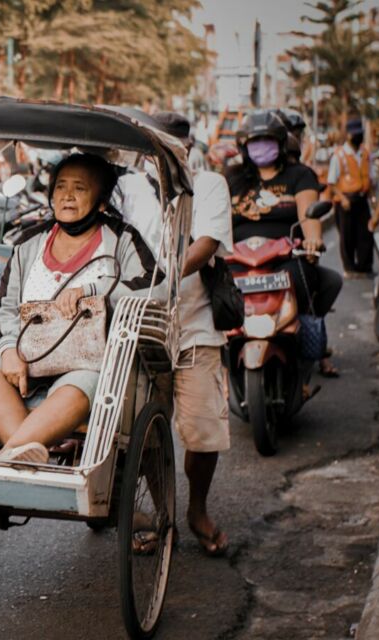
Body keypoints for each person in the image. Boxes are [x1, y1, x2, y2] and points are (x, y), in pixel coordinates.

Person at [0, 153, 162, 463]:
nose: (67, 196)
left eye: (80, 188)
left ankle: (3, 462)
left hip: (85, 362)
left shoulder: (122, 239)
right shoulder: (29, 242)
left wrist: (92, 291)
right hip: (27, 353)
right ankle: (20, 456)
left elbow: (156, 287)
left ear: (101, 201)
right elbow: (2, 305)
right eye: (60, 187)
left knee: (83, 385)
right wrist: (8, 350)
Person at [153, 111, 234, 556]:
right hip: (137, 325)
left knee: (203, 431)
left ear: (186, 148)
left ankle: (196, 509)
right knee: (136, 428)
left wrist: (161, 279)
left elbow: (205, 244)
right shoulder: (129, 187)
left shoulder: (209, 185)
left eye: (173, 146)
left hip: (196, 325)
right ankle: (156, 512)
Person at [226, 111, 343, 380]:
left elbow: (308, 214)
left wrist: (313, 240)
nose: (261, 146)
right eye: (255, 141)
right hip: (239, 260)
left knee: (323, 281)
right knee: (216, 300)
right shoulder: (231, 178)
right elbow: (217, 219)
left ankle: (301, 361)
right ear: (244, 147)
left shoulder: (299, 175)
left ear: (280, 142)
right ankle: (223, 371)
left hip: (284, 258)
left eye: (267, 139)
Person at [327, 118, 374, 276]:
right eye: (355, 134)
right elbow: (331, 183)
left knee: (365, 234)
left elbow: (370, 177)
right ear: (348, 135)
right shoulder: (339, 155)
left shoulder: (365, 154)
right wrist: (343, 198)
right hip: (346, 200)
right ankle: (349, 268)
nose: (358, 136)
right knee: (347, 236)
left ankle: (364, 266)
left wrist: (372, 197)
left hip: (362, 198)